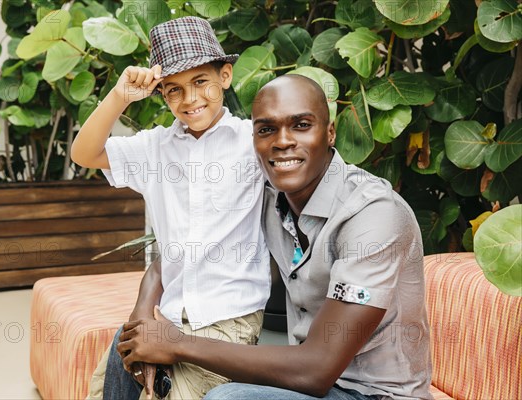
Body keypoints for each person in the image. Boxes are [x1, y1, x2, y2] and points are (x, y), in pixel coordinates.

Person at [117, 74, 433, 399]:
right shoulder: (270, 200)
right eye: (266, 129)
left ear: (330, 132)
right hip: (306, 384)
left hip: (371, 393)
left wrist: (177, 344)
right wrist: (143, 313)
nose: (282, 141)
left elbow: (316, 369)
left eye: (300, 125)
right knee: (128, 344)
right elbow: (183, 253)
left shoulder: (372, 215)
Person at [71, 16, 270, 400]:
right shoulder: (155, 149)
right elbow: (84, 153)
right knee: (104, 389)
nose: (190, 99)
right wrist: (119, 96)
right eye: (174, 90)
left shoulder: (251, 141)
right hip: (169, 310)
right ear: (162, 94)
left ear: (225, 76)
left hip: (227, 322)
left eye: (201, 82)